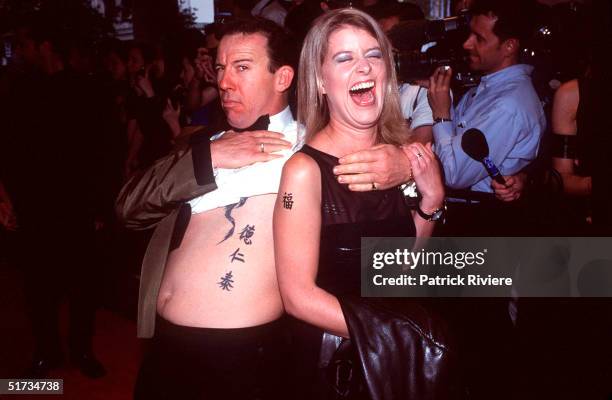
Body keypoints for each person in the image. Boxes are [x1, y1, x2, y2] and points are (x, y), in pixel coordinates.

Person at [116, 18, 299, 399]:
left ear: (282, 77)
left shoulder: (310, 147)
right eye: (220, 67)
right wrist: (210, 156)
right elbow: (128, 208)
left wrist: (421, 194)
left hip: (242, 358)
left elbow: (378, 255)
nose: (224, 81)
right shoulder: (201, 143)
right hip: (163, 343)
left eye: (242, 67)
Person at [273, 9, 451, 399]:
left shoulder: (396, 160)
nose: (364, 68)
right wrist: (392, 332)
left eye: (373, 55)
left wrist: (432, 202)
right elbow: (297, 297)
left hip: (389, 363)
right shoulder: (303, 172)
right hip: (334, 369)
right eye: (344, 58)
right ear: (320, 80)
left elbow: (398, 270)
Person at [427, 0, 545, 236]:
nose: (467, 43)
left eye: (479, 39)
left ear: (509, 46)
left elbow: (454, 175)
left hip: (479, 222)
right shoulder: (488, 87)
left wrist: (441, 114)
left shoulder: (508, 105)